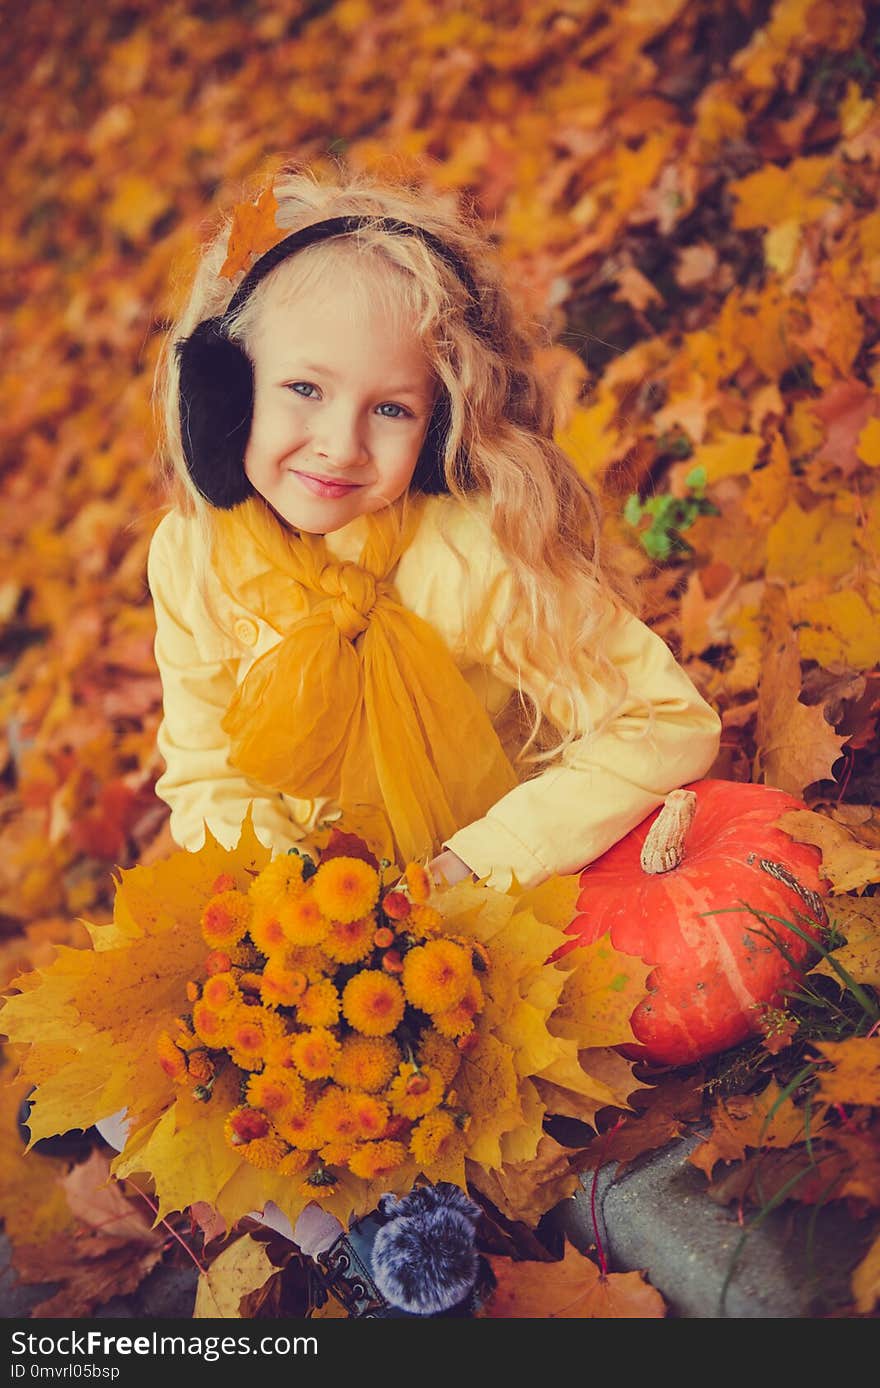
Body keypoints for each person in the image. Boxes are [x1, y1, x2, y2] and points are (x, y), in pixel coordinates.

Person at [147, 161, 722, 894]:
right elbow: (208, 774)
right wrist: (293, 899)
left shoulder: (472, 552)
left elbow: (663, 722)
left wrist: (482, 863)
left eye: (392, 410)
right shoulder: (192, 559)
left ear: (442, 424)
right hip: (321, 921)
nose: (342, 445)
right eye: (303, 388)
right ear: (223, 388)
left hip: (499, 890)